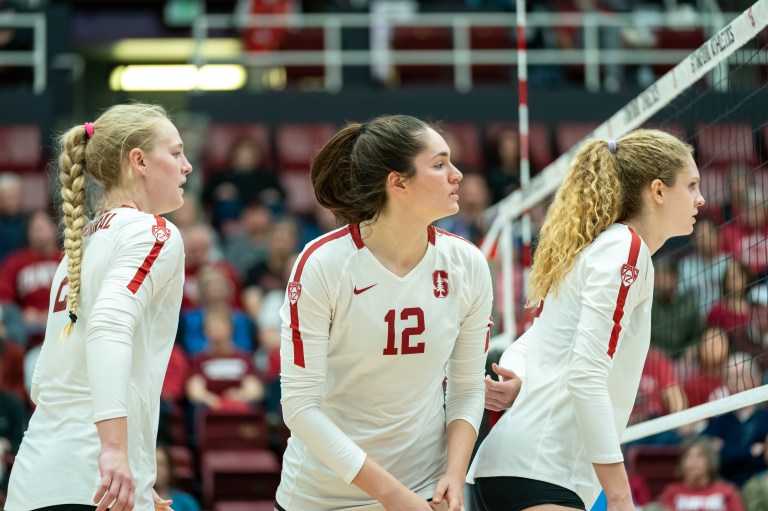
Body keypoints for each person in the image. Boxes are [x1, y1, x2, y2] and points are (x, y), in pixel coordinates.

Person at [468, 129, 705, 511]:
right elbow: (586, 374)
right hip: (541, 470)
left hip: (519, 468)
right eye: (691, 185)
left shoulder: (599, 248)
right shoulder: (625, 250)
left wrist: (520, 380)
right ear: (658, 191)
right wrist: (620, 496)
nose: (701, 198)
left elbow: (536, 339)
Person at [275, 115, 494, 511]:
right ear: (398, 182)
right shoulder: (323, 264)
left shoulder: (467, 263)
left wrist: (455, 476)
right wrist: (396, 499)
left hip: (427, 489)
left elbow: (466, 388)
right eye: (440, 164)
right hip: (323, 497)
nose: (458, 175)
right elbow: (300, 407)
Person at [5, 102, 192, 511]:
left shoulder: (81, 242)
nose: (187, 166)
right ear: (138, 160)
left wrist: (139, 476)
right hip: (94, 481)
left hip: (34, 479)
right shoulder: (153, 233)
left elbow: (42, 382)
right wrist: (114, 452)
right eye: (176, 153)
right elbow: (108, 326)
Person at [658, 436, 745, 511]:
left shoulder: (727, 492)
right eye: (688, 457)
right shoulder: (672, 492)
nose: (693, 462)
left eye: (699, 456)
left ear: (710, 460)